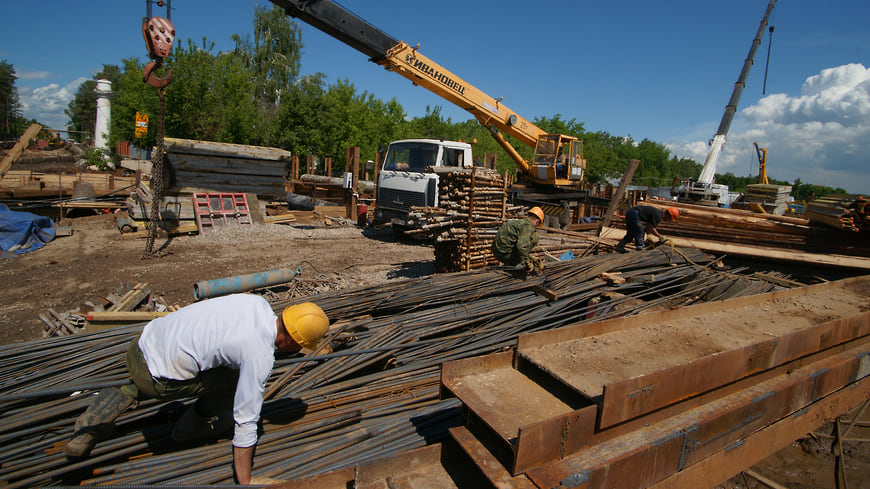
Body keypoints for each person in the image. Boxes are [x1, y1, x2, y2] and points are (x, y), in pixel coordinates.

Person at [64, 294, 329, 485]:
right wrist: (246, 481)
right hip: (157, 379)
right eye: (301, 345)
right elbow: (246, 421)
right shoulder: (257, 354)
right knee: (235, 382)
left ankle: (90, 423)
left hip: (141, 344)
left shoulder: (256, 303)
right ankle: (190, 428)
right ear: (292, 341)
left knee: (206, 362)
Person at [492, 206, 544, 272]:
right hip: (504, 254)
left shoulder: (520, 222)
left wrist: (531, 258)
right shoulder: (528, 227)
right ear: (537, 221)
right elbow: (521, 247)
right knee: (534, 238)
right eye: (538, 225)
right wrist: (527, 262)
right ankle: (519, 264)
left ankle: (517, 261)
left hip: (497, 251)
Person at [615, 205, 679, 252]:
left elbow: (648, 227)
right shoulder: (658, 215)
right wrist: (660, 236)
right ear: (668, 215)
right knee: (639, 230)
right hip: (634, 213)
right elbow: (651, 228)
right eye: (670, 218)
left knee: (631, 233)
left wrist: (648, 236)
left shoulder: (657, 213)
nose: (668, 220)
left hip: (631, 212)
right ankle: (640, 247)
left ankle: (620, 246)